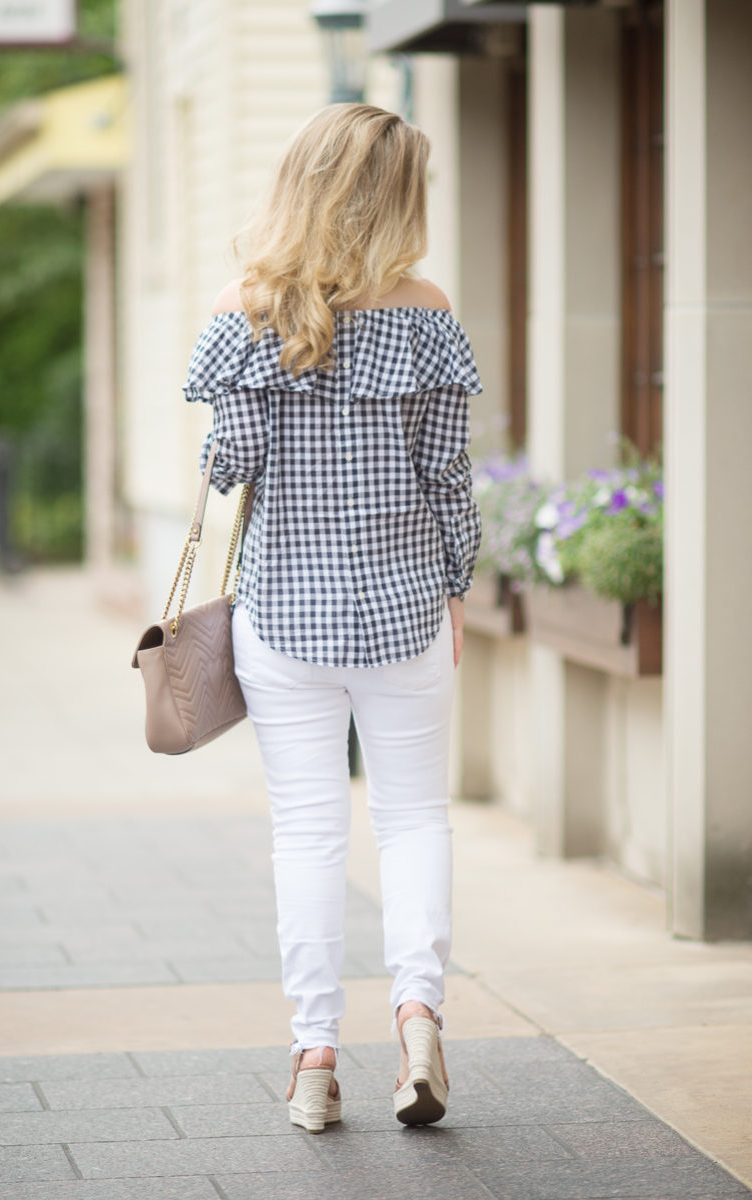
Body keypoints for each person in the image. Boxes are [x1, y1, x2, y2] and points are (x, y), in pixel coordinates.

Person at [183, 103, 482, 1132]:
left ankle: (314, 1058)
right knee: (412, 822)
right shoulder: (428, 311)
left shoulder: (245, 311)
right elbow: (450, 480)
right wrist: (457, 589)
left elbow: (230, 473)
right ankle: (418, 1021)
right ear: (399, 196)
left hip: (284, 615)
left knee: (308, 835)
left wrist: (258, 383)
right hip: (404, 611)